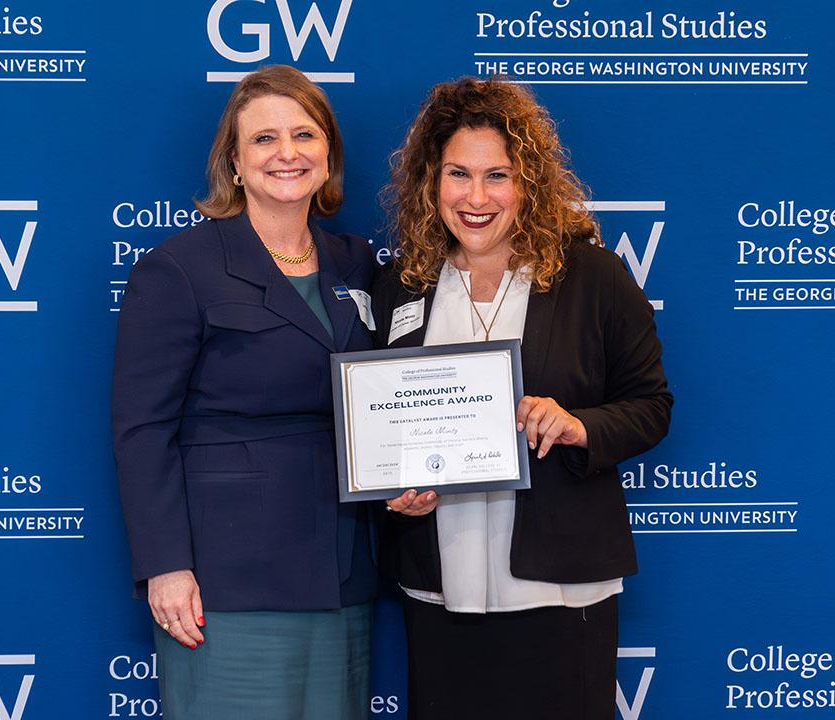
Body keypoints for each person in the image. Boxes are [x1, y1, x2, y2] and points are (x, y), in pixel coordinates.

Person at [372, 77, 673, 719]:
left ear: (527, 184)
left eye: (497, 176)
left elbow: (650, 405)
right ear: (431, 181)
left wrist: (577, 425)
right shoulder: (403, 286)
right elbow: (379, 422)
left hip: (562, 587)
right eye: (458, 174)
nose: (476, 198)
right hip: (437, 583)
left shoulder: (591, 276)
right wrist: (397, 486)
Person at [111, 65, 377, 720]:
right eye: (264, 139)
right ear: (233, 162)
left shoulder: (358, 262)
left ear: (328, 154)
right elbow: (142, 431)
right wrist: (166, 565)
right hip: (228, 580)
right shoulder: (178, 270)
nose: (287, 153)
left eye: (304, 135)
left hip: (343, 571)